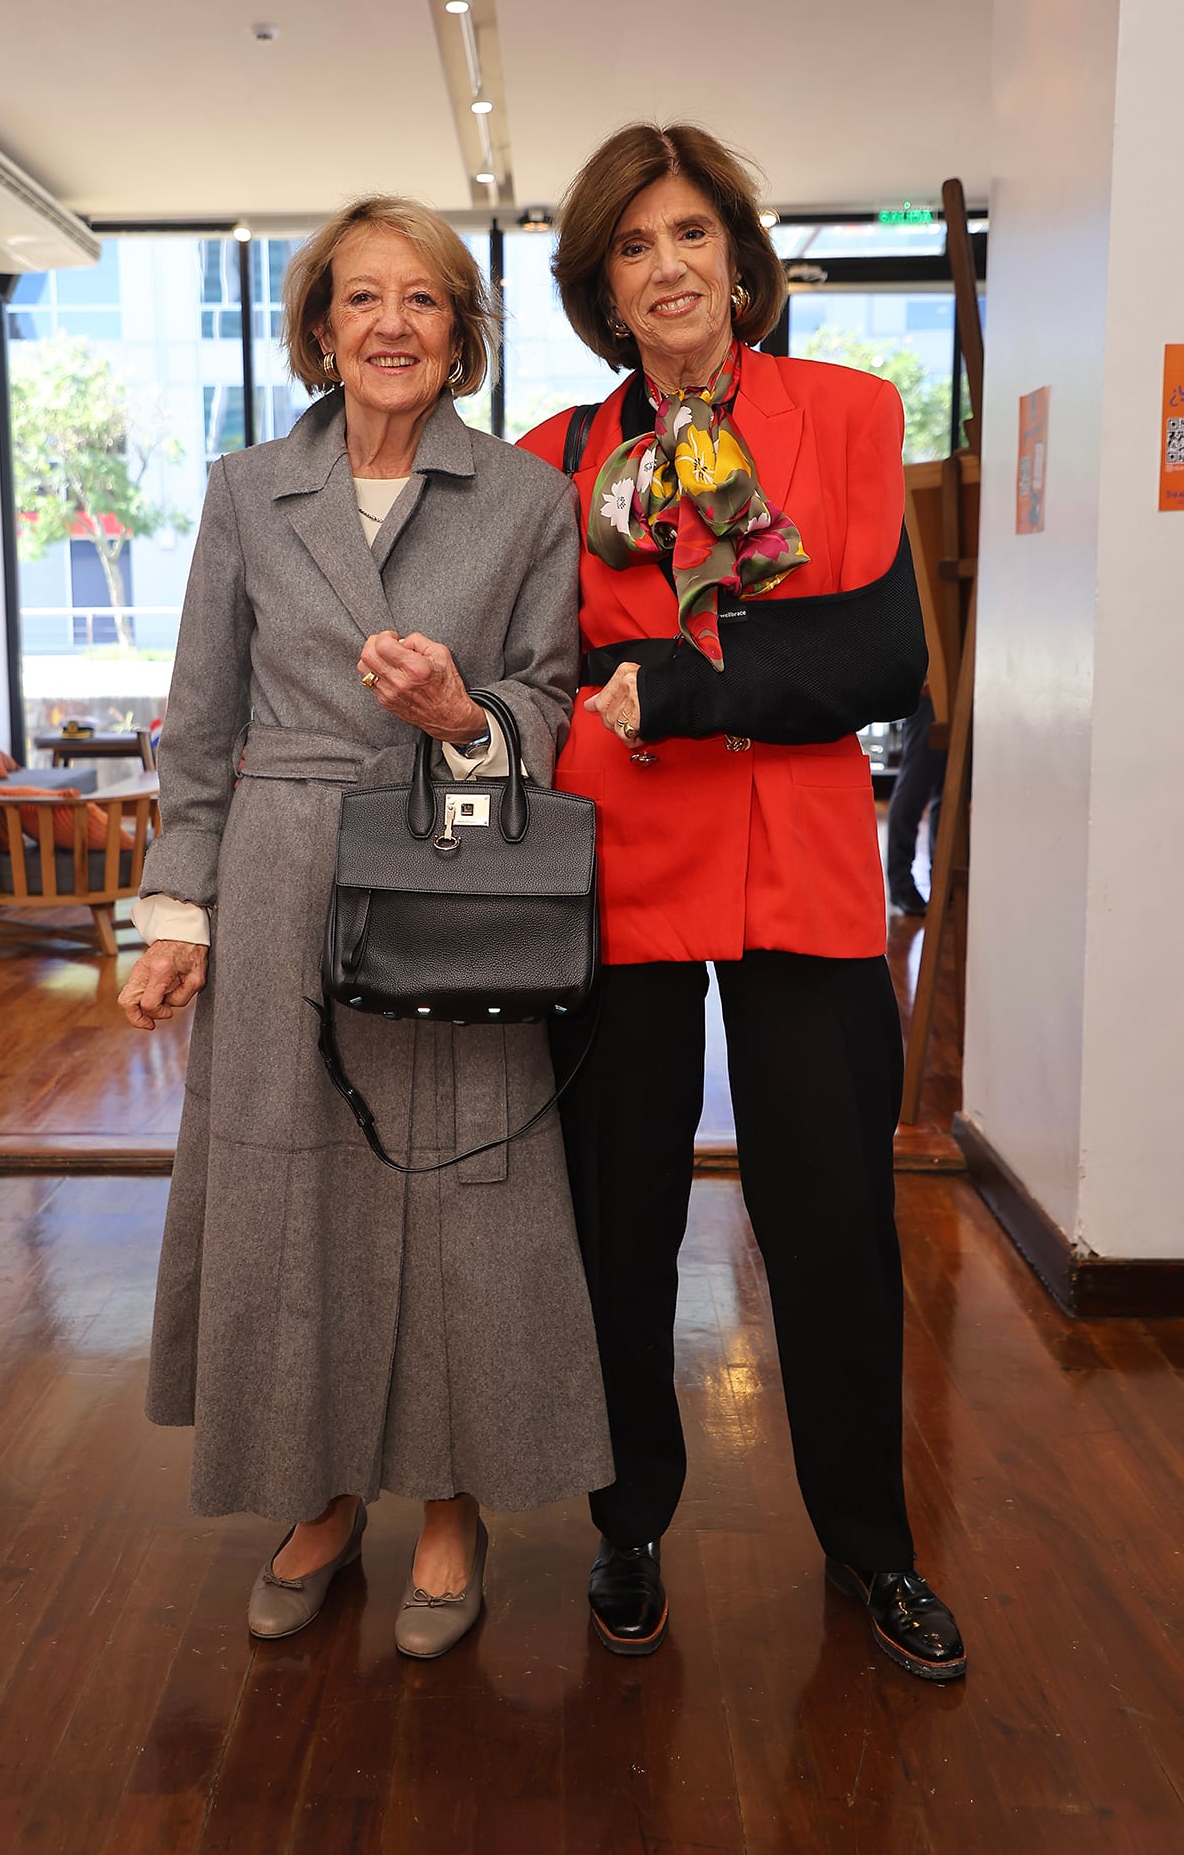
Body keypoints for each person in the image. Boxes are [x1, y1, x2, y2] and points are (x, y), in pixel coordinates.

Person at [119, 196, 612, 1661]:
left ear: (461, 330)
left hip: (454, 880)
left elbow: (552, 695)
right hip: (277, 879)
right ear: (318, 330)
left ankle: (453, 1505)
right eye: (360, 299)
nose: (391, 324)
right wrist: (174, 914)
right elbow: (199, 729)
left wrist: (466, 719)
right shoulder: (247, 488)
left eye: (423, 300)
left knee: (460, 1189)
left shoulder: (525, 499)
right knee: (292, 1198)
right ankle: (319, 1497)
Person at [521, 125, 966, 1682]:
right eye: (634, 247)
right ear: (601, 282)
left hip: (802, 873)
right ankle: (626, 1520)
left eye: (691, 236)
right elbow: (551, 669)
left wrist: (686, 687)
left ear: (738, 254)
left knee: (832, 1225)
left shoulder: (844, 413)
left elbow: (879, 660)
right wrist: (650, 690)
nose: (668, 270)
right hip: (618, 873)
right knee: (615, 1219)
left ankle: (873, 1548)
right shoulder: (554, 456)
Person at [886, 689, 946, 916]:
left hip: (958, 693)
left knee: (949, 790)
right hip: (930, 691)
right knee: (914, 787)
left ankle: (944, 881)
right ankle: (901, 884)